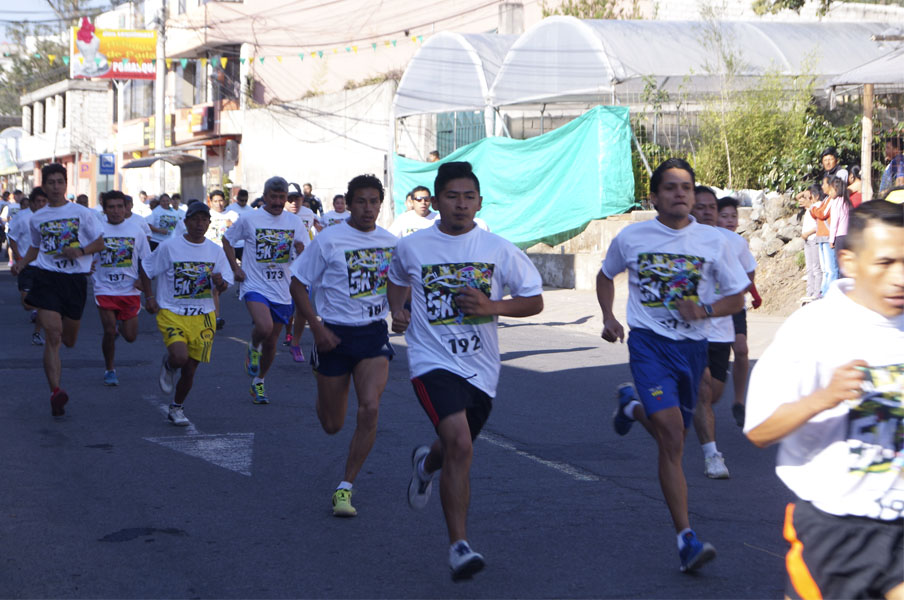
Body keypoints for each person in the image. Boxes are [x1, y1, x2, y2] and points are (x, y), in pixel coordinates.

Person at [388, 161, 543, 579]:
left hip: (482, 368)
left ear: (479, 202)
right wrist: (398, 310)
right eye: (452, 197)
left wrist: (492, 306)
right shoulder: (414, 246)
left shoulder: (498, 249)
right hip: (431, 360)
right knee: (460, 442)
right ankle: (459, 545)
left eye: (468, 197)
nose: (461, 204)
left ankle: (425, 466)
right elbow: (397, 277)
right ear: (436, 201)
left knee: (454, 447)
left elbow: (533, 300)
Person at [744, 199, 903, 600]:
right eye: (886, 263)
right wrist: (824, 397)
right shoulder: (815, 328)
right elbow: (759, 431)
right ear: (848, 260)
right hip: (834, 532)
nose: (900, 277)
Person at [598, 158, 750, 573]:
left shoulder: (714, 241)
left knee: (677, 434)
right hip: (649, 345)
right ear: (654, 196)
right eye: (670, 187)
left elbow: (738, 297)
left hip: (693, 349)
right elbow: (605, 275)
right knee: (671, 437)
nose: (680, 193)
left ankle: (631, 406)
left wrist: (704, 309)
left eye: (686, 186)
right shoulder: (632, 237)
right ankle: (686, 538)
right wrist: (610, 318)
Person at [289, 174, 397, 518]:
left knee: (370, 408)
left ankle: (345, 487)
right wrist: (316, 329)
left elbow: (401, 282)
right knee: (332, 424)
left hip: (372, 335)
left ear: (381, 204)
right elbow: (297, 284)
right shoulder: (329, 240)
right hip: (332, 334)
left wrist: (400, 309)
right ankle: (323, 388)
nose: (368, 208)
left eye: (374, 201)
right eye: (361, 202)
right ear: (348, 204)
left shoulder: (391, 242)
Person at [11, 163, 104, 417]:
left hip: (74, 280)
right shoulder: (37, 217)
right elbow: (35, 247)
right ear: (44, 185)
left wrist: (81, 251)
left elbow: (100, 242)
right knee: (53, 334)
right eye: (50, 182)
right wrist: (21, 263)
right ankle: (56, 392)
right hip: (47, 277)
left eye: (59, 182)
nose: (55, 186)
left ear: (65, 185)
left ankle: (56, 383)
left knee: (69, 340)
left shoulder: (82, 213)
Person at [143, 202, 233, 426]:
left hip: (203, 316)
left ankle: (176, 407)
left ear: (209, 223)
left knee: (191, 369)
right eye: (195, 219)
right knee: (180, 357)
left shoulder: (215, 251)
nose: (199, 224)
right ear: (186, 222)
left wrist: (220, 282)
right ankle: (170, 364)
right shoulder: (170, 247)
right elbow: (146, 268)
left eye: (204, 220)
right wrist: (149, 298)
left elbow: (224, 285)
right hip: (172, 312)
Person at [689, 188, 754, 479]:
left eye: (711, 208)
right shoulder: (678, 240)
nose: (706, 212)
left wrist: (730, 297)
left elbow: (748, 274)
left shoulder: (731, 242)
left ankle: (639, 408)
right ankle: (712, 455)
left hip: (721, 327)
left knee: (712, 395)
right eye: (699, 207)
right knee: (702, 392)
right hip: (689, 329)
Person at [223, 176, 307, 404]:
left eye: (282, 198)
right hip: (254, 284)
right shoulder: (250, 218)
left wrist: (300, 251)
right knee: (264, 327)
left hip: (282, 288)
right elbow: (227, 240)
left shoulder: (295, 223)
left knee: (272, 342)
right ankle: (253, 344)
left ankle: (259, 382)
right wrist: (235, 269)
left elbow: (305, 255)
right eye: (274, 197)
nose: (278, 202)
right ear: (265, 196)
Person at [92, 190, 157, 386]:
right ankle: (109, 369)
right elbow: (85, 254)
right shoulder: (97, 230)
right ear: (104, 210)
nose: (116, 211)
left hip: (129, 290)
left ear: (126, 208)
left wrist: (147, 291)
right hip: (104, 288)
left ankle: (120, 326)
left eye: (120, 206)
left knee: (130, 336)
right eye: (111, 207)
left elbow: (147, 262)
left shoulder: (136, 230)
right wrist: (86, 266)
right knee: (109, 331)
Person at [713, 195, 760, 429]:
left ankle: (739, 401)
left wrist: (747, 293)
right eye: (725, 216)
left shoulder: (739, 243)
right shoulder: (705, 241)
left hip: (734, 307)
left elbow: (749, 271)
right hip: (711, 310)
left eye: (734, 216)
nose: (730, 220)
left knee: (741, 350)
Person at [8, 187, 48, 345]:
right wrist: (18, 257)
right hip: (27, 264)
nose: (41, 204)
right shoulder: (22, 217)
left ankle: (37, 332)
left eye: (44, 201)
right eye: (37, 201)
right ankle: (44, 308)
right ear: (31, 203)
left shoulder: (50, 217)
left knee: (43, 300)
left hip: (45, 266)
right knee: (26, 304)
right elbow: (12, 237)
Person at [282, 186, 318, 359]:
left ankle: (295, 342)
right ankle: (287, 331)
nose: (293, 203)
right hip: (281, 269)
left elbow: (318, 227)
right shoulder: (278, 216)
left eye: (296, 198)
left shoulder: (309, 214)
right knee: (286, 308)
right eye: (289, 199)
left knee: (303, 307)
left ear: (302, 199)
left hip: (302, 266)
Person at [798, 184, 825, 304]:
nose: (805, 199)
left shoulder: (818, 207)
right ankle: (809, 292)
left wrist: (807, 233)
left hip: (813, 239)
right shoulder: (810, 207)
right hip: (807, 240)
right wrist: (805, 192)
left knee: (816, 267)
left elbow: (818, 225)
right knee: (809, 268)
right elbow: (797, 197)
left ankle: (816, 292)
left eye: (808, 197)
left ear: (815, 196)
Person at [229, 188, 255, 262]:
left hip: (244, 244)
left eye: (245, 201)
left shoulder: (251, 210)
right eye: (241, 200)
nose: (243, 202)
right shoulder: (230, 208)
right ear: (237, 199)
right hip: (232, 243)